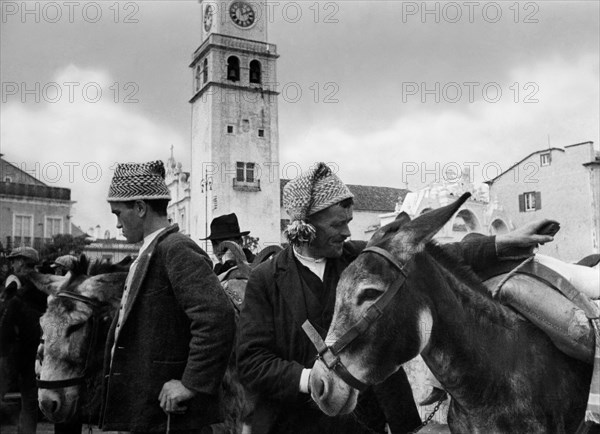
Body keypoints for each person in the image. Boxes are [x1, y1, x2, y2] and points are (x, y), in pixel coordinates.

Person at [237, 162, 555, 434]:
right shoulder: (266, 280)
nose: (348, 232)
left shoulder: (360, 261)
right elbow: (251, 361)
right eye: (338, 224)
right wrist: (313, 379)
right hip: (293, 423)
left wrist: (504, 242)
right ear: (306, 228)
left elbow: (438, 258)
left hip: (367, 423)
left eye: (348, 222)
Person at [99, 160, 235, 433]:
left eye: (118, 214)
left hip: (174, 419)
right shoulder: (151, 251)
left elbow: (217, 317)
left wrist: (190, 383)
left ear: (140, 208)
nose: (116, 225)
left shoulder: (176, 248)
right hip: (151, 412)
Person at [0, 247, 47, 434]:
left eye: (14, 260)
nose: (12, 264)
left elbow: (5, 322)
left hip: (12, 353)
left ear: (21, 262)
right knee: (30, 403)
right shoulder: (46, 285)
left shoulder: (15, 285)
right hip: (37, 355)